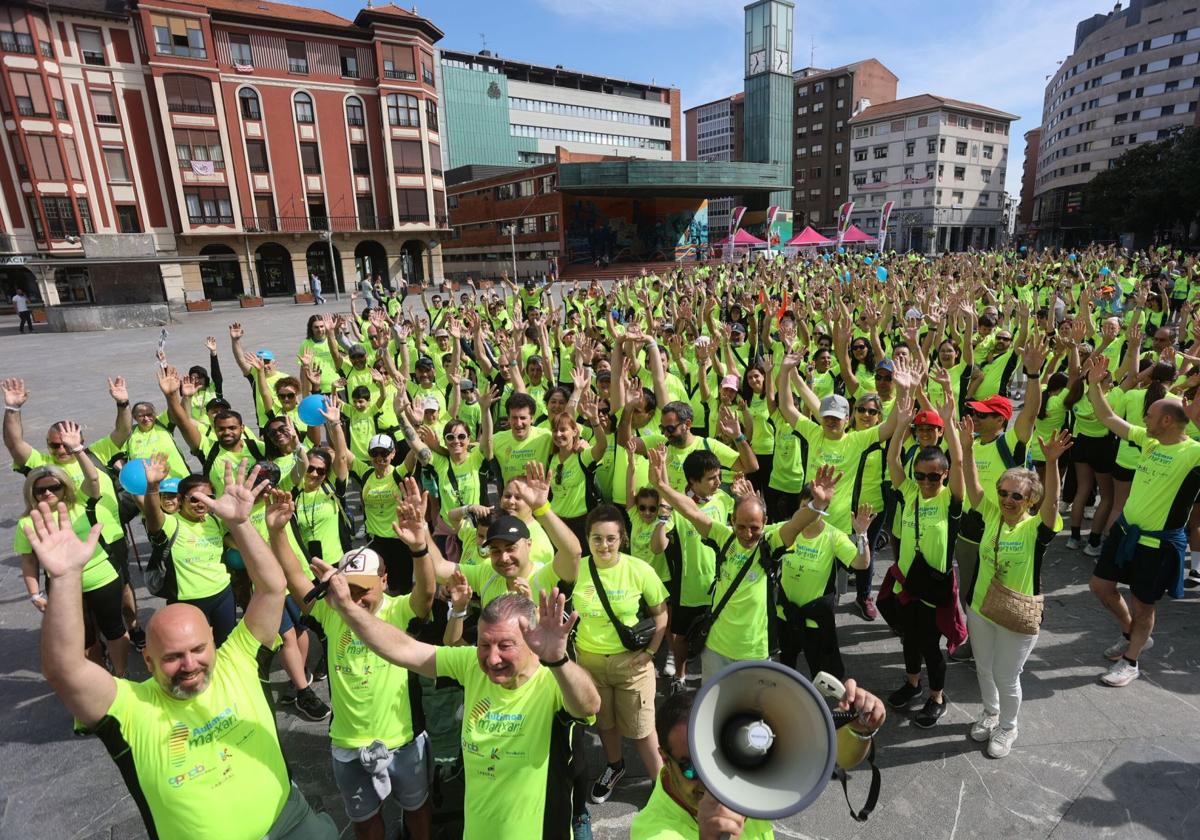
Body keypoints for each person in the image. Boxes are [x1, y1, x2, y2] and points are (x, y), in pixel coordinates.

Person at [34, 461, 337, 839]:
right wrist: (63, 579)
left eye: (198, 649)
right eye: (173, 656)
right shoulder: (131, 709)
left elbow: (273, 589)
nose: (190, 664)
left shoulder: (237, 664)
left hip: (292, 821)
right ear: (147, 659)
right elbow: (64, 669)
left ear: (215, 641)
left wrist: (240, 524)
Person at [318, 569, 601, 840]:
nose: (492, 658)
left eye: (505, 645)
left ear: (532, 640)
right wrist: (348, 607)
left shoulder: (552, 682)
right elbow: (402, 649)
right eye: (484, 645)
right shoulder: (471, 666)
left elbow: (589, 705)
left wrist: (559, 660)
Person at [275, 489, 436, 840]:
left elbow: (425, 594)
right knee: (365, 823)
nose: (357, 598)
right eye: (349, 589)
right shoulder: (333, 612)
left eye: (365, 589)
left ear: (385, 581)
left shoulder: (399, 611)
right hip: (348, 745)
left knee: (418, 813)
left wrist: (419, 547)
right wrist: (278, 531)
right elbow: (296, 579)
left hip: (405, 740)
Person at [630, 681, 885, 840]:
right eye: (692, 768)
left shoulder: (744, 770)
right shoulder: (653, 832)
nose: (711, 782)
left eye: (717, 759)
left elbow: (843, 758)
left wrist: (859, 730)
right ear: (664, 758)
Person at [1081, 353, 1200, 686]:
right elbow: (1107, 417)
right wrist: (1094, 385)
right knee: (1100, 586)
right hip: (1124, 533)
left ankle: (1131, 661)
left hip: (1158, 544)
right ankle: (1130, 632)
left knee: (1144, 604)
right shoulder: (1148, 441)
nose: (1144, 416)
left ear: (1167, 420)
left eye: (1150, 413)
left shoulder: (1193, 454)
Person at [960, 423, 1069, 758]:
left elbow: (1052, 503)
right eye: (1004, 493)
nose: (1008, 500)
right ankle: (990, 713)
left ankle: (1008, 726)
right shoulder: (991, 513)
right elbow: (972, 485)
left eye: (1017, 496)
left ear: (1030, 499)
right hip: (980, 606)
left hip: (1017, 614)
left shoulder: (1036, 528)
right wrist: (966, 448)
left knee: (1007, 675)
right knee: (983, 666)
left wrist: (1051, 463)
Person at [572, 504, 669, 805]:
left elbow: (662, 615)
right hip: (589, 663)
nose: (604, 545)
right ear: (587, 539)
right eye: (597, 538)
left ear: (623, 539)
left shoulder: (640, 570)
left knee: (642, 730)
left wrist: (651, 652)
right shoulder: (575, 569)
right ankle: (615, 768)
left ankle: (665, 788)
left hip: (632, 664)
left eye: (611, 538)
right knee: (606, 724)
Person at [882, 391, 965, 728]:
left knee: (932, 645)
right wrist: (901, 425)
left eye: (934, 476)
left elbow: (959, 462)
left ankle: (936, 697)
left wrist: (950, 424)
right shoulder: (910, 490)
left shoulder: (950, 500)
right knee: (909, 638)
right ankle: (912, 682)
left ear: (944, 476)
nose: (927, 482)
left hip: (932, 585)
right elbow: (892, 461)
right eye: (922, 475)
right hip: (907, 580)